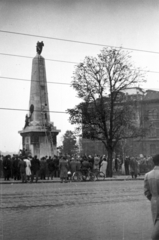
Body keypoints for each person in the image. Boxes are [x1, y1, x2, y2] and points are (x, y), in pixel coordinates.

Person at [144, 154, 159, 240]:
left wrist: (153, 199)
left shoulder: (147, 175)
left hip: (154, 202)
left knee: (156, 221)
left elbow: (146, 192)